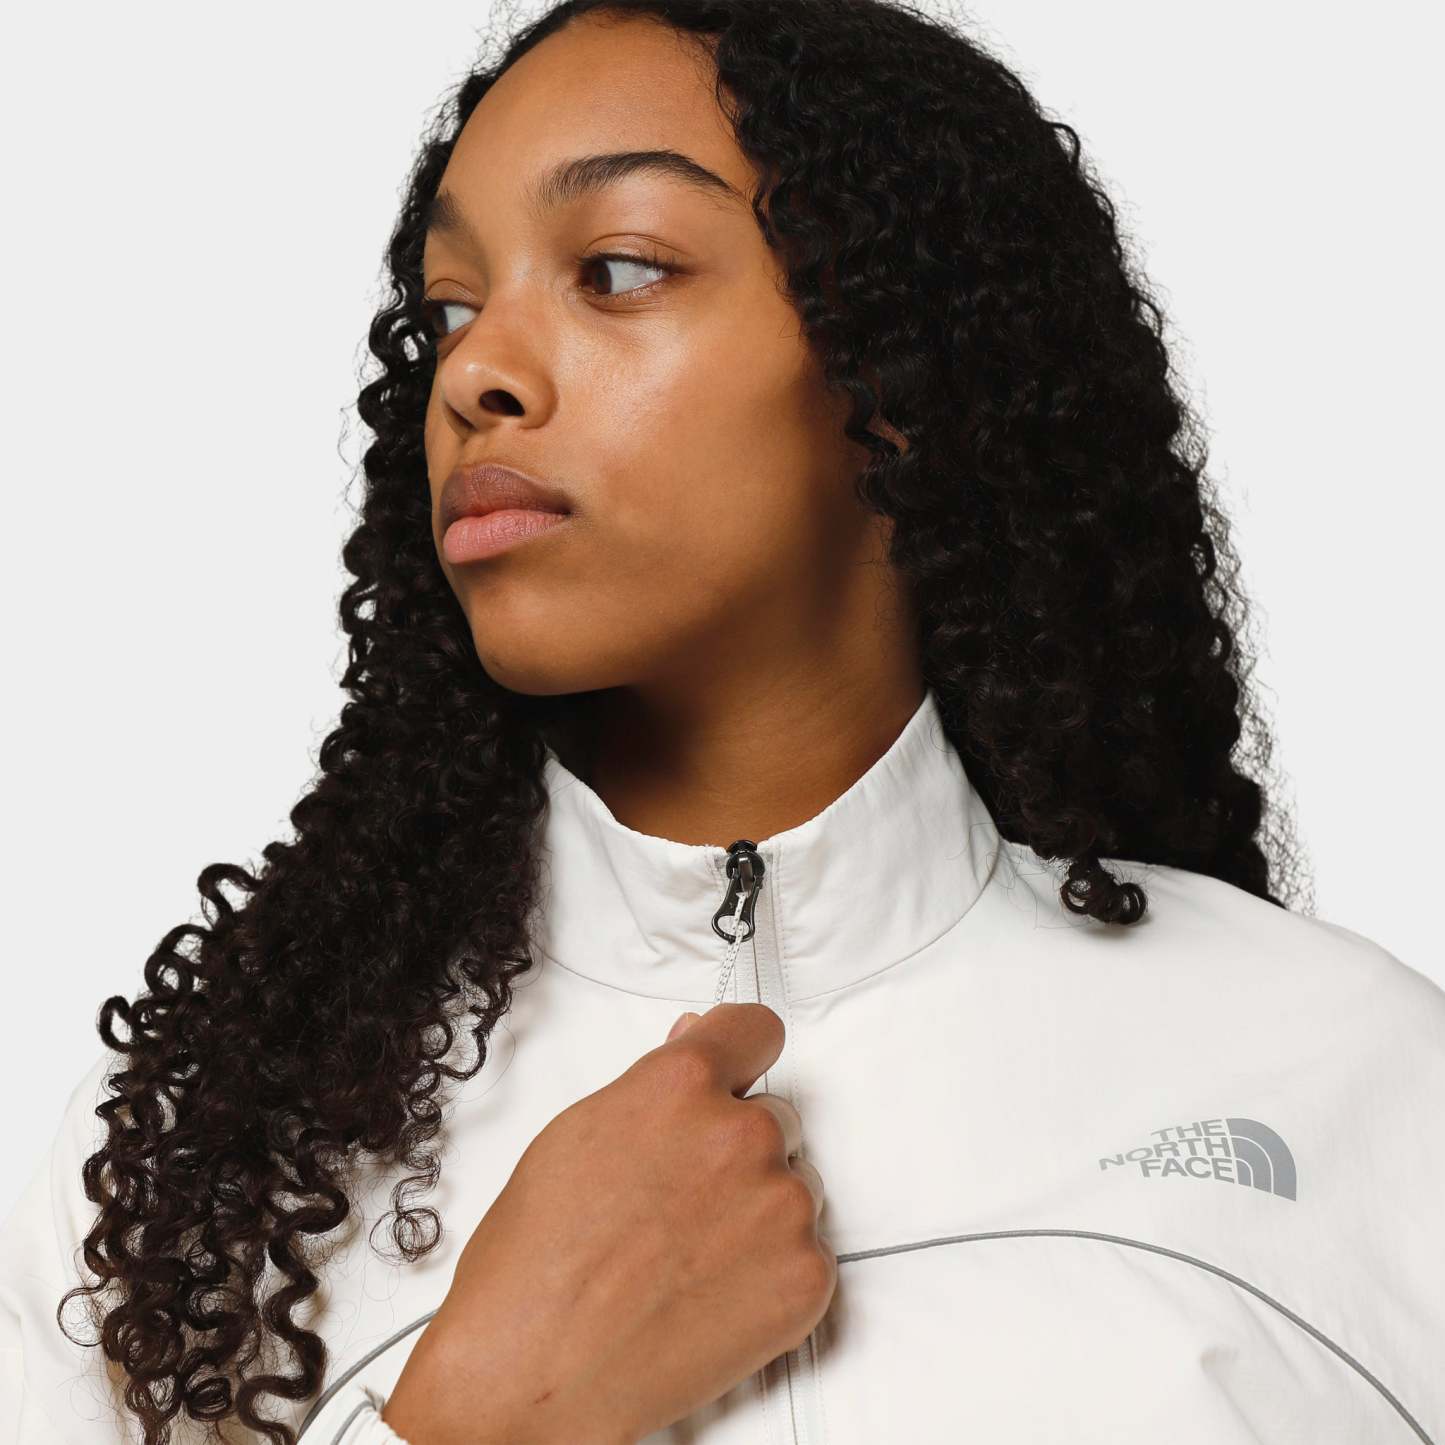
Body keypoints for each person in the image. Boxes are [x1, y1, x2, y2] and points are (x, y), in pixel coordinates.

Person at [5, 0, 1443, 1441]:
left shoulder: (1358, 1086)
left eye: (618, 270)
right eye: (448, 310)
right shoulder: (184, 1165)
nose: (473, 371)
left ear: (898, 372)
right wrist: (483, 1419)